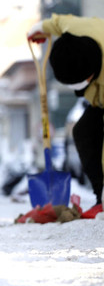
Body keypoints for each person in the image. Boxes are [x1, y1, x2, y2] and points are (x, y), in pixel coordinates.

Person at [27, 14, 104, 218]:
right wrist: (40, 27)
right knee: (83, 131)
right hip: (98, 97)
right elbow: (58, 21)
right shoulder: (76, 28)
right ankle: (100, 199)